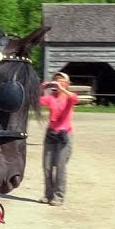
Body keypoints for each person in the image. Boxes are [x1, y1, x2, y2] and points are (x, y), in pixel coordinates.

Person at [39, 71, 79, 206]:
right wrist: (41, 89)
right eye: (55, 80)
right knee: (47, 166)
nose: (57, 82)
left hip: (64, 134)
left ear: (66, 83)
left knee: (60, 167)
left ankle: (59, 196)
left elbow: (75, 99)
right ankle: (48, 194)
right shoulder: (51, 97)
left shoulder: (68, 97)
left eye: (60, 80)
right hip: (51, 134)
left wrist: (63, 90)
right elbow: (38, 101)